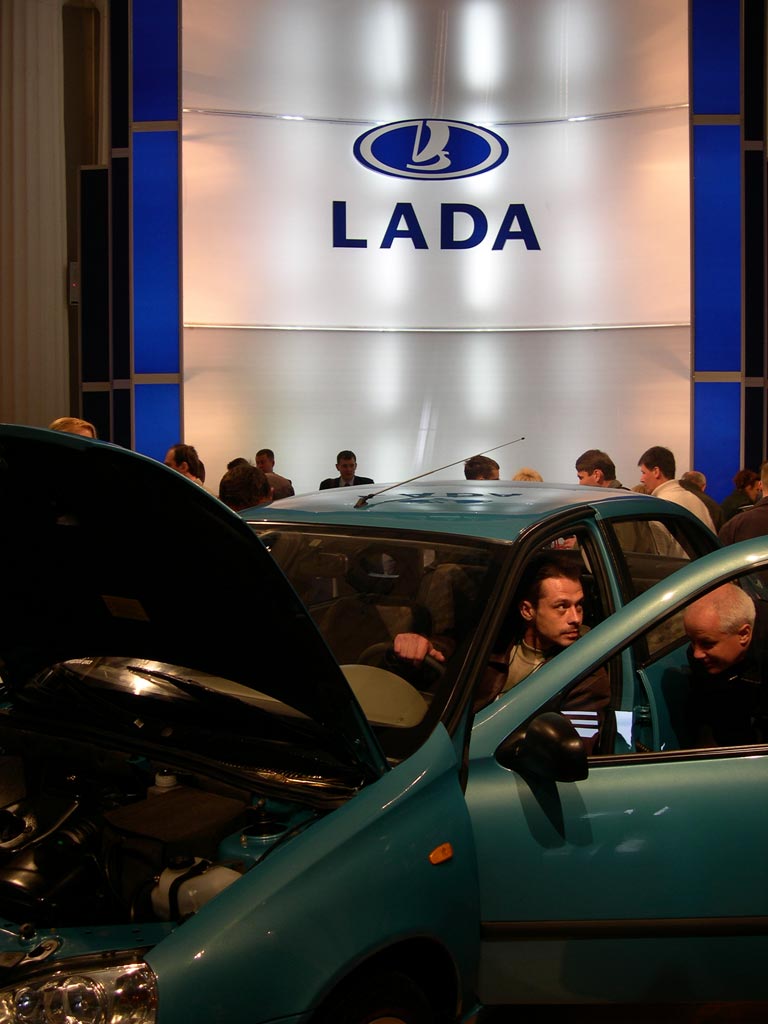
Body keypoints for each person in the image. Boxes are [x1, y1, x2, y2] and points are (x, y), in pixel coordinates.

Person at [395, 552, 610, 749]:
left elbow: (573, 750)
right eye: (562, 606)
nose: (576, 618)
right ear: (527, 610)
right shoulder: (494, 640)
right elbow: (451, 648)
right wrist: (421, 645)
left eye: (579, 605)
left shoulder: (586, 673)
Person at [683, 584, 768, 746]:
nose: (697, 654)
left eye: (707, 643)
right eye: (692, 642)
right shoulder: (701, 659)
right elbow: (722, 718)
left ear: (744, 634)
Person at [637, 446, 715, 531]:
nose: (641, 479)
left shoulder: (660, 507)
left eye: (644, 473)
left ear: (656, 472)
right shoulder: (696, 500)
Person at [719, 462, 768, 545]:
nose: (757, 494)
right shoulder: (742, 507)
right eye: (756, 490)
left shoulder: (735, 524)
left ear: (760, 485)